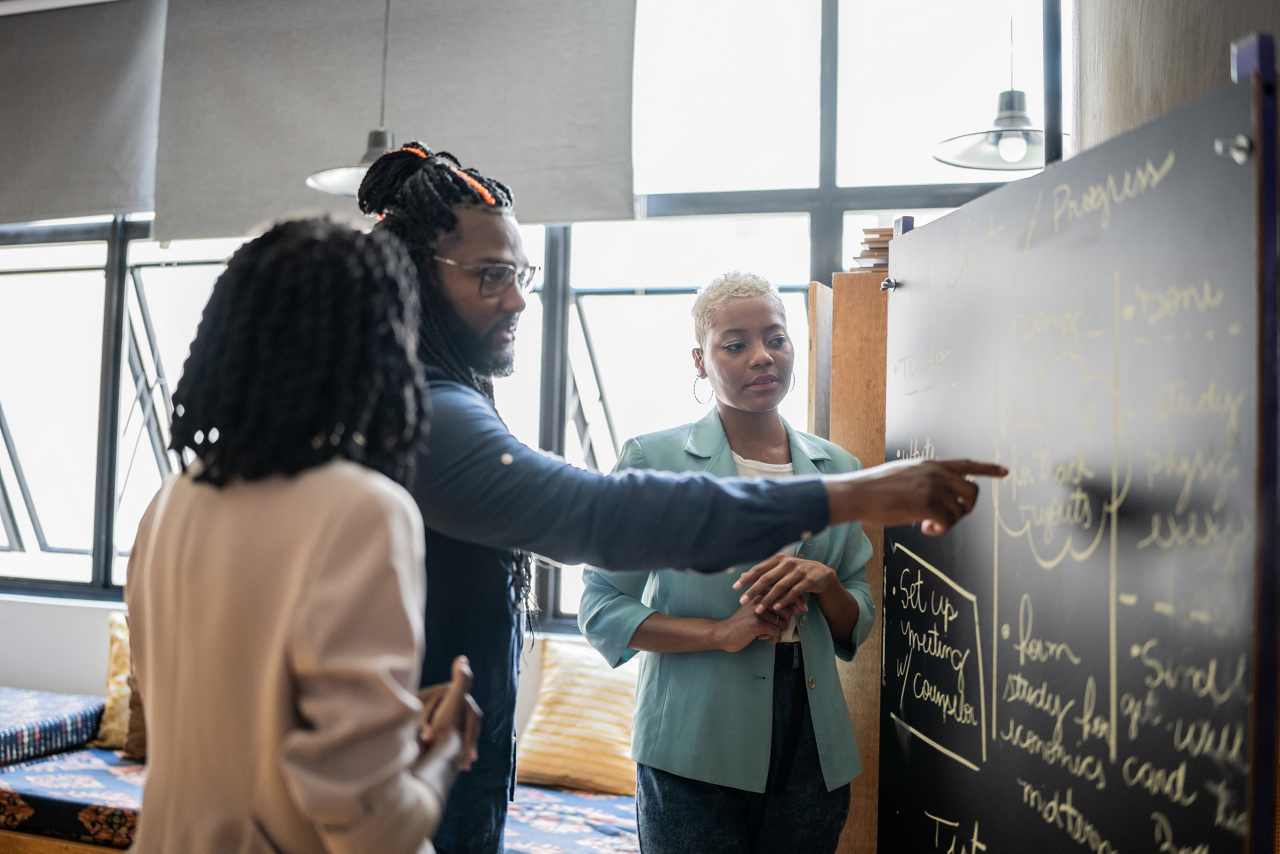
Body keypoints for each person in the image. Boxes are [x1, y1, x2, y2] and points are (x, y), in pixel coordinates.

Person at [358, 144, 1005, 854]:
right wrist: (852, 495)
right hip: (423, 769)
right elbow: (602, 519)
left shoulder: (434, 397)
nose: (518, 298)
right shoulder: (429, 412)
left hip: (450, 756)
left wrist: (827, 561)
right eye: (492, 276)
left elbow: (855, 611)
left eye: (520, 274)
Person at [127, 220, 480, 854]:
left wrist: (390, 723)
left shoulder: (170, 503)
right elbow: (373, 827)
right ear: (379, 345)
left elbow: (228, 719)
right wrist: (443, 749)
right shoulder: (361, 510)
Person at [579, 271, 872, 853]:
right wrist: (719, 632)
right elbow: (600, 607)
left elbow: (857, 615)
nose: (763, 357)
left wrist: (827, 581)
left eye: (776, 338)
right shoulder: (653, 460)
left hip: (813, 738)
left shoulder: (839, 466)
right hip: (693, 737)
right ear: (700, 359)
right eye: (735, 344)